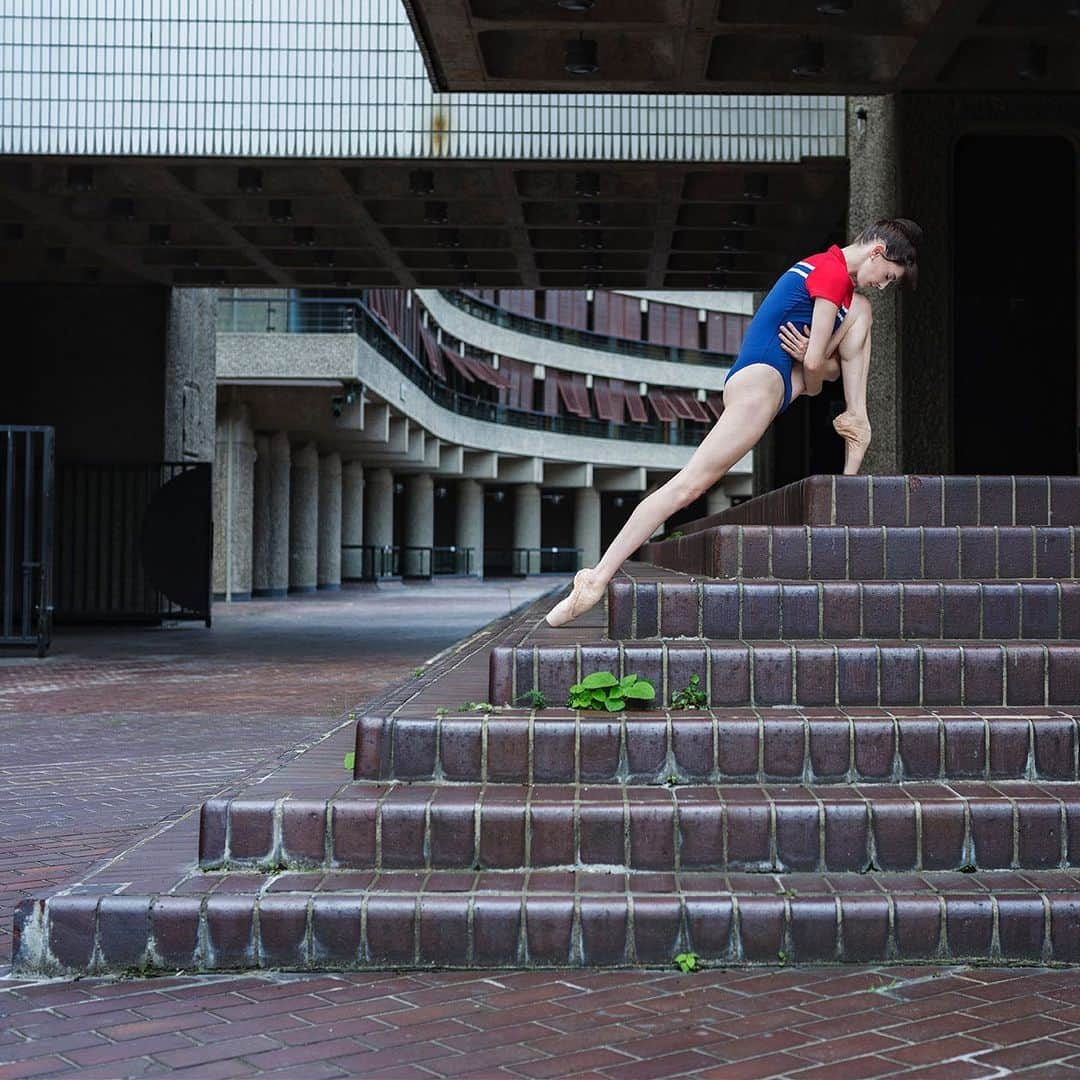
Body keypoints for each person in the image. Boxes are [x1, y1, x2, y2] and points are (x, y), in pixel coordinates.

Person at [545, 217, 923, 628]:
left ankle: (857, 417)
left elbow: (819, 369)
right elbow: (815, 374)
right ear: (877, 252)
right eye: (886, 276)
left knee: (862, 312)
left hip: (772, 382)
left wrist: (818, 365)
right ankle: (596, 579)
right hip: (760, 386)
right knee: (687, 486)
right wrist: (817, 365)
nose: (881, 285)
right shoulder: (831, 273)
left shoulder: (839, 282)